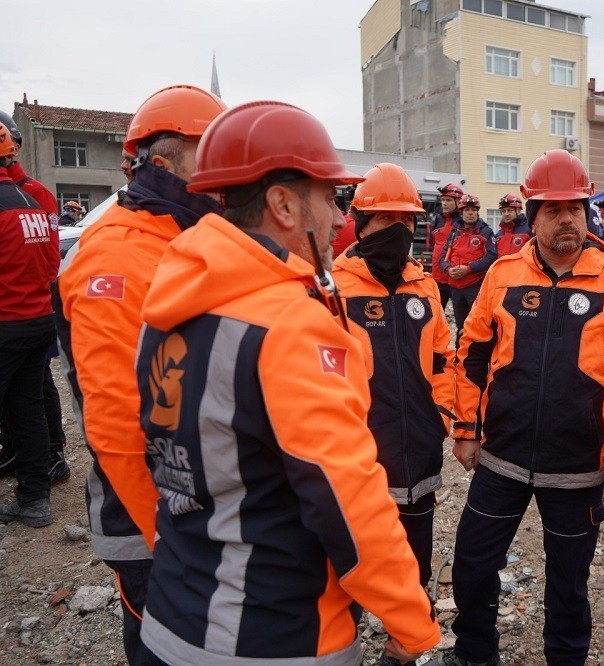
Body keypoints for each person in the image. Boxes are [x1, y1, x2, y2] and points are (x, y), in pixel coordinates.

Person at [134, 100, 439, 664]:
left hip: (173, 615)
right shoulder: (290, 323)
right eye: (329, 199)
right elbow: (348, 500)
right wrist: (412, 622)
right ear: (282, 204)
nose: (340, 220)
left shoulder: (170, 304)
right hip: (275, 634)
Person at [439, 150, 604, 666]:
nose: (566, 220)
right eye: (553, 210)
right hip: (501, 459)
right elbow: (471, 356)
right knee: (472, 565)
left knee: (569, 584)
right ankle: (473, 654)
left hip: (577, 468)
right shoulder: (503, 274)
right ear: (533, 218)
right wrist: (465, 429)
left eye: (575, 209)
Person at [56, 84, 227, 665]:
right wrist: (170, 539)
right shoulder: (118, 255)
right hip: (151, 517)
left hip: (198, 505)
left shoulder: (185, 237)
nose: (224, 175)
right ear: (165, 161)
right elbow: (115, 420)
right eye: (211, 156)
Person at [332, 162, 455, 606]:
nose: (399, 229)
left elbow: (443, 360)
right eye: (386, 218)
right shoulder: (332, 290)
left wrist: (441, 416)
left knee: (414, 559)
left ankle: (406, 635)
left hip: (420, 451)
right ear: (361, 223)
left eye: (407, 219)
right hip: (359, 457)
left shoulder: (425, 287)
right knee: (352, 564)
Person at [0, 110, 66, 486]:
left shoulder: (34, 193)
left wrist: (34, 291)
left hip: (27, 308)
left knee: (39, 386)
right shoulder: (19, 194)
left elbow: (49, 254)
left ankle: (54, 452)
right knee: (26, 396)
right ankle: (21, 457)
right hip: (28, 310)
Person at [439, 194, 497, 335]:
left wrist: (469, 269)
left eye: (473, 210)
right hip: (455, 288)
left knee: (478, 325)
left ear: (477, 212)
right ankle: (460, 349)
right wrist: (448, 269)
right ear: (461, 212)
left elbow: (492, 257)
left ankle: (476, 349)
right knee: (460, 326)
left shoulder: (486, 232)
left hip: (475, 287)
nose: (470, 213)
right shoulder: (454, 232)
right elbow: (443, 256)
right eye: (467, 210)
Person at [427, 183, 464, 310]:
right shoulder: (436, 220)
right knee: (436, 313)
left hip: (457, 277)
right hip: (438, 277)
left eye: (448, 200)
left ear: (458, 201)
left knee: (462, 316)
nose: (444, 203)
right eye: (443, 200)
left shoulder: (464, 222)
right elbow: (432, 244)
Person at [493, 193, 531, 257]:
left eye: (509, 210)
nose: (506, 214)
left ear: (518, 211)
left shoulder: (530, 229)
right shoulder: (498, 234)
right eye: (503, 211)